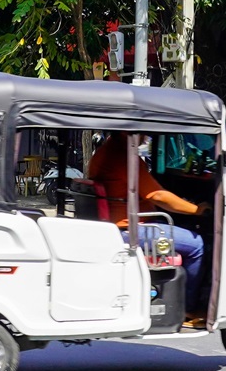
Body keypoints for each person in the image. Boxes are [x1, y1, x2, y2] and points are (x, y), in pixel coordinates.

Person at [87, 133, 208, 325]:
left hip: (117, 225)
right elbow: (157, 196)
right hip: (130, 229)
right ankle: (187, 309)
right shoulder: (124, 157)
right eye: (142, 131)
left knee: (181, 231)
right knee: (197, 244)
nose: (146, 136)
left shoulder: (104, 152)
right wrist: (196, 210)